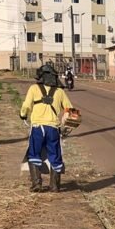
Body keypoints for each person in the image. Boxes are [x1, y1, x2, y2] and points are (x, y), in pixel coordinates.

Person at [20, 60, 74, 192]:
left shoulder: (33, 88)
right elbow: (71, 110)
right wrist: (67, 127)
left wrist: (23, 115)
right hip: (53, 129)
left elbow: (26, 106)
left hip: (38, 128)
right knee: (55, 156)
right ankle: (54, 186)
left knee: (34, 154)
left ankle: (37, 184)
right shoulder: (60, 92)